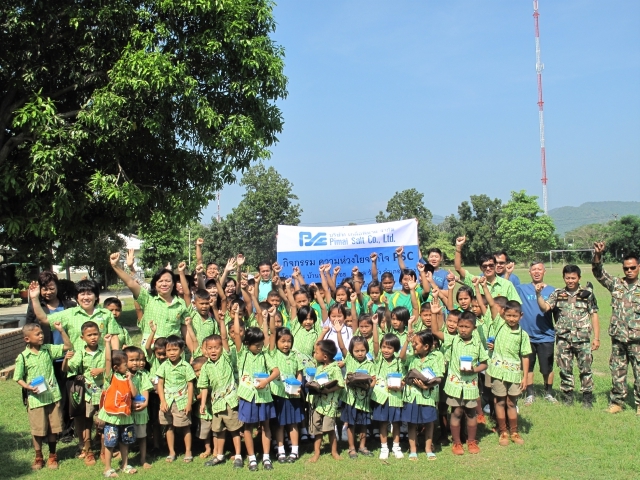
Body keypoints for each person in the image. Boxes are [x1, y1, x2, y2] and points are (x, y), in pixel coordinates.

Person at [536, 265, 600, 408]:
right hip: (563, 339)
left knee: (585, 369)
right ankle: (568, 397)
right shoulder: (558, 294)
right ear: (563, 278)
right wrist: (538, 295)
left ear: (579, 278)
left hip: (582, 339)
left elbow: (594, 315)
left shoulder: (586, 294)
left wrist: (596, 338)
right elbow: (545, 307)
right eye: (567, 278)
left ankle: (587, 399)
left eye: (573, 278)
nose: (570, 281)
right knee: (565, 369)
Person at [25, 271, 76, 438]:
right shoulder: (36, 307)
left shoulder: (69, 306)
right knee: (49, 394)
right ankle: (51, 430)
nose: (48, 292)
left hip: (67, 357)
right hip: (47, 358)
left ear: (57, 287)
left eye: (51, 288)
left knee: (66, 394)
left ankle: (67, 429)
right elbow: (28, 330)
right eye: (44, 289)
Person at [15, 321, 72, 470]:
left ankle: (53, 456)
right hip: (36, 399)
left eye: (41, 333)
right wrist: (28, 387)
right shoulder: (23, 357)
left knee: (53, 428)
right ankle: (38, 456)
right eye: (37, 334)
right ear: (27, 339)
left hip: (52, 396)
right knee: (38, 430)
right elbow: (18, 377)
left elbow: (67, 346)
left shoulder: (48, 349)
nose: (41, 336)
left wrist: (61, 330)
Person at [592, 242, 640, 415]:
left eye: (632, 267)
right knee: (617, 371)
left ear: (638, 267)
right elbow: (598, 273)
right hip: (618, 338)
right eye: (626, 268)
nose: (629, 271)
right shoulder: (616, 284)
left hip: (637, 340)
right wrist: (598, 254)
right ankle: (617, 402)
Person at [233, 305, 279, 471]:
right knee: (248, 427)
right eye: (256, 345)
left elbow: (276, 371)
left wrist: (266, 381)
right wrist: (236, 314)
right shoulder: (242, 353)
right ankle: (252, 458)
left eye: (261, 344)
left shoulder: (265, 354)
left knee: (266, 425)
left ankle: (266, 457)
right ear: (247, 344)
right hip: (247, 396)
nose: (259, 347)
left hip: (264, 396)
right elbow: (237, 334)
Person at [110, 252, 190, 348]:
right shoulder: (148, 298)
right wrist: (115, 266)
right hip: (151, 352)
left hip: (173, 351)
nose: (164, 284)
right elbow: (130, 282)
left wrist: (194, 352)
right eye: (160, 281)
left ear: (173, 284)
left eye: (168, 281)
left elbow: (186, 332)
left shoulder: (180, 303)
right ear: (155, 285)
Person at [29, 279, 122, 353]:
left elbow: (114, 337)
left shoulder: (106, 314)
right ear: (77, 297)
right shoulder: (70, 313)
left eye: (89, 294)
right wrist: (34, 298)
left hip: (102, 364)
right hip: (77, 365)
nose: (86, 298)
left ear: (96, 296)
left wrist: (116, 357)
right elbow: (44, 319)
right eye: (82, 294)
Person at [443, 311, 489, 455]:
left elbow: (485, 363)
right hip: (455, 385)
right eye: (461, 326)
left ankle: (471, 441)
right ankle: (457, 443)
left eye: (467, 327)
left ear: (474, 328)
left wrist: (474, 369)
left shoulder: (477, 344)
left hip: (470, 386)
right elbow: (437, 330)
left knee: (471, 413)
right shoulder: (453, 340)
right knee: (456, 412)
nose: (463, 329)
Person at [487, 301, 531, 446]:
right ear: (503, 314)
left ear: (521, 316)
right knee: (499, 401)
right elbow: (492, 304)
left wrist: (525, 377)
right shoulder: (499, 325)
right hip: (498, 372)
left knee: (511, 403)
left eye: (514, 316)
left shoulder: (523, 335)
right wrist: (482, 289)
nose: (511, 319)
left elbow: (525, 356)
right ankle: (503, 432)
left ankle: (514, 432)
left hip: (514, 374)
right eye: (509, 315)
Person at [62, 321, 106, 466]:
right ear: (82, 338)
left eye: (95, 334)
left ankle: (104, 450)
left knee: (103, 421)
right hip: (87, 393)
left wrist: (101, 370)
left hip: (103, 392)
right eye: (89, 335)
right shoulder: (80, 353)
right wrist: (66, 360)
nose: (93, 337)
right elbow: (67, 369)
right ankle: (88, 450)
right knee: (86, 422)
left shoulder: (105, 350)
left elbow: (113, 366)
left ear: (100, 335)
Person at [198, 331, 244, 469]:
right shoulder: (205, 367)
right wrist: (202, 404)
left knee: (234, 430)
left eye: (216, 347)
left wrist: (222, 322)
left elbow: (224, 337)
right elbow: (204, 386)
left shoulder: (226, 358)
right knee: (219, 431)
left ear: (222, 348)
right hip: (216, 404)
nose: (213, 351)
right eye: (210, 348)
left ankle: (238, 456)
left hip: (230, 401)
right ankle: (219, 455)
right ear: (205, 350)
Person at [516, 261, 557, 405]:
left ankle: (548, 393)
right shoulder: (522, 289)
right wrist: (508, 272)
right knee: (528, 367)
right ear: (529, 272)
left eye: (540, 269)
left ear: (544, 271)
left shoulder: (552, 291)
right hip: (526, 336)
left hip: (546, 335)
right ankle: (530, 394)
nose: (537, 272)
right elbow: (505, 286)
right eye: (534, 269)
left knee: (547, 368)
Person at [97, 336, 138, 477]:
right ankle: (108, 468)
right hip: (112, 417)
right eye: (125, 364)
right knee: (110, 442)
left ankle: (125, 465)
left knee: (125, 441)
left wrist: (130, 380)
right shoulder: (110, 377)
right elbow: (108, 360)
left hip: (125, 417)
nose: (128, 366)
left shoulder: (127, 377)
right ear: (116, 367)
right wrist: (107, 343)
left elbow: (134, 394)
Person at [401, 329, 444, 461]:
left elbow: (439, 377)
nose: (413, 345)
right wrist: (406, 342)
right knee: (412, 423)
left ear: (426, 346)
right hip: (412, 396)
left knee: (429, 422)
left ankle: (428, 449)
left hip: (428, 397)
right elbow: (401, 357)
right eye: (413, 343)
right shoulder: (411, 357)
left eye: (416, 343)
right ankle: (413, 449)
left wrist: (426, 386)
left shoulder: (435, 358)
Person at [157, 335, 196, 463]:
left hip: (182, 401)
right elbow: (160, 384)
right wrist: (162, 401)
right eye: (169, 350)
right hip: (167, 402)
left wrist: (189, 403)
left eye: (175, 350)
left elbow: (190, 385)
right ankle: (171, 451)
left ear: (182, 350)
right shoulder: (164, 366)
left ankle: (188, 451)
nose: (172, 353)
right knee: (169, 427)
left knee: (185, 426)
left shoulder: (186, 366)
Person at [454, 236, 521, 303]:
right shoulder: (476, 281)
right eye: (485, 266)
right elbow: (458, 268)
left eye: (491, 265)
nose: (488, 268)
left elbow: (515, 305)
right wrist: (458, 247)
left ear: (495, 266)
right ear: (481, 268)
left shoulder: (507, 284)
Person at [308, 339, 344, 463]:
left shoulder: (335, 368)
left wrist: (327, 390)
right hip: (317, 404)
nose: (314, 354)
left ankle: (334, 452)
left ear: (325, 356)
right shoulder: (319, 366)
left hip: (330, 404)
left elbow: (340, 384)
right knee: (317, 429)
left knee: (329, 429)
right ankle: (316, 453)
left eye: (316, 352)